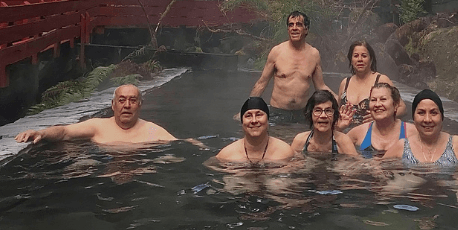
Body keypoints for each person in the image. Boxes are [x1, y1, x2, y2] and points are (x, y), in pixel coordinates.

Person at [15, 84, 182, 145]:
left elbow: (182, 145)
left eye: (132, 100)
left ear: (139, 105)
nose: (127, 105)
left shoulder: (152, 130)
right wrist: (41, 133)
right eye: (122, 100)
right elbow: (65, 132)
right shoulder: (98, 126)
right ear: (113, 105)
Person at [248, 11, 335, 123]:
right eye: (291, 25)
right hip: (278, 113)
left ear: (306, 29)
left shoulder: (314, 54)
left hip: (302, 114)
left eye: (298, 24)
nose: (294, 28)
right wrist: (248, 108)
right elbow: (261, 83)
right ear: (288, 29)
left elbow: (321, 86)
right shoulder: (277, 52)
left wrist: (339, 100)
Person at [383, 89, 458, 165]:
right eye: (421, 113)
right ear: (413, 118)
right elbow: (377, 168)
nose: (427, 119)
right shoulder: (402, 146)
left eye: (433, 113)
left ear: (442, 117)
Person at [338, 41, 406, 126]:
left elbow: (402, 108)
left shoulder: (381, 80)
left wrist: (382, 116)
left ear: (371, 59)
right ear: (351, 60)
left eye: (364, 56)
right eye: (356, 56)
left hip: (372, 134)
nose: (360, 59)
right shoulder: (345, 83)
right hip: (345, 135)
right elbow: (337, 112)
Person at [347, 83, 417, 158]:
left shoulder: (413, 132)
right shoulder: (358, 133)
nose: (377, 104)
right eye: (373, 100)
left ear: (396, 105)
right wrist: (338, 128)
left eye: (383, 99)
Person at [216, 97, 294, 163]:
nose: (254, 121)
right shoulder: (226, 155)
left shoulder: (285, 152)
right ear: (242, 122)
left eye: (259, 115)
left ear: (268, 120)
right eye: (248, 116)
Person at [291, 90, 358, 155]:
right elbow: (292, 164)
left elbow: (356, 163)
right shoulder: (300, 141)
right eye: (318, 110)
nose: (323, 115)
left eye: (328, 111)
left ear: (334, 115)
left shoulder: (343, 142)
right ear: (310, 114)